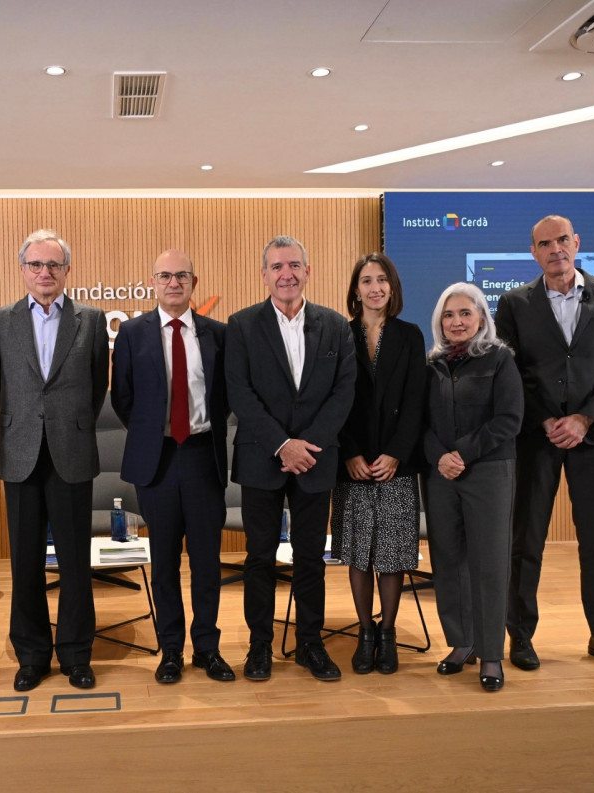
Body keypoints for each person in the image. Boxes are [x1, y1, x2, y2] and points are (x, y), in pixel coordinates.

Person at [495, 215, 594, 674]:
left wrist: (584, 418)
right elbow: (510, 371)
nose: (555, 249)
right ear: (533, 252)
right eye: (544, 243)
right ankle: (519, 637)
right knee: (526, 541)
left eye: (562, 240)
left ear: (576, 243)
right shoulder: (515, 303)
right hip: (536, 439)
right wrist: (545, 420)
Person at [225, 235, 356, 682]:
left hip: (316, 460)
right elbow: (239, 393)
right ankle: (259, 645)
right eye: (277, 267)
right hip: (263, 457)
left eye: (295, 265)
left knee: (310, 559)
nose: (287, 274)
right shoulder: (241, 325)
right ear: (264, 275)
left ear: (307, 271)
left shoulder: (336, 326)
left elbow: (344, 394)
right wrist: (284, 444)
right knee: (259, 557)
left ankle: (309, 644)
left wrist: (307, 445)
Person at [0, 229, 108, 692]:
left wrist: (67, 425)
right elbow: (1, 386)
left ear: (67, 271)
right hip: (20, 451)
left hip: (71, 451)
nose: (44, 273)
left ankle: (77, 654)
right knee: (26, 562)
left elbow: (97, 388)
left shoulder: (91, 321)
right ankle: (32, 655)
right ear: (22, 270)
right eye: (35, 264)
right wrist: (27, 424)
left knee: (77, 562)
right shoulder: (1, 320)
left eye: (54, 265)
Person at [111, 249, 235, 684]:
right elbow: (122, 398)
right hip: (157, 461)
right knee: (164, 564)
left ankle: (208, 648)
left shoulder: (219, 334)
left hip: (204, 456)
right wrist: (150, 434)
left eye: (182, 275)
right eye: (165, 275)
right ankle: (170, 651)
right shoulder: (131, 333)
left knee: (206, 563)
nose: (174, 283)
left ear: (194, 282)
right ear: (154, 281)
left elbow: (226, 398)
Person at [424, 282, 523, 692]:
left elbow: (509, 419)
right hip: (440, 474)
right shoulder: (430, 365)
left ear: (482, 317)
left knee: (488, 563)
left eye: (466, 313)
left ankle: (492, 654)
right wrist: (439, 456)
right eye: (449, 315)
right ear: (439, 322)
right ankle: (461, 643)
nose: (457, 321)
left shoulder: (500, 360)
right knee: (448, 559)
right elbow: (418, 421)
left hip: (487, 471)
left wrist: (461, 453)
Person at [330, 253, 426, 675]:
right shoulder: (338, 334)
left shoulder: (410, 335)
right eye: (366, 281)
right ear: (355, 290)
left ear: (392, 286)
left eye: (382, 280)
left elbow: (416, 401)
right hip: (351, 462)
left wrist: (397, 453)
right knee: (358, 552)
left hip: (395, 464)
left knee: (391, 553)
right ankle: (364, 632)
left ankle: (387, 634)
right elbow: (333, 400)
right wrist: (349, 451)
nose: (375, 288)